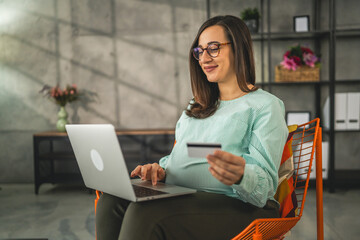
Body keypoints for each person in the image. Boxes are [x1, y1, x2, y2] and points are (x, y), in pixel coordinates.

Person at [96, 15, 288, 240]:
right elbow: (185, 154)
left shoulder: (265, 106)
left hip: (242, 207)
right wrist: (161, 170)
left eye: (214, 48)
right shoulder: (197, 106)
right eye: (200, 51)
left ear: (239, 48)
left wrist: (241, 175)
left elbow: (264, 188)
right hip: (186, 195)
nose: (204, 58)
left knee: (146, 213)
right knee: (112, 199)